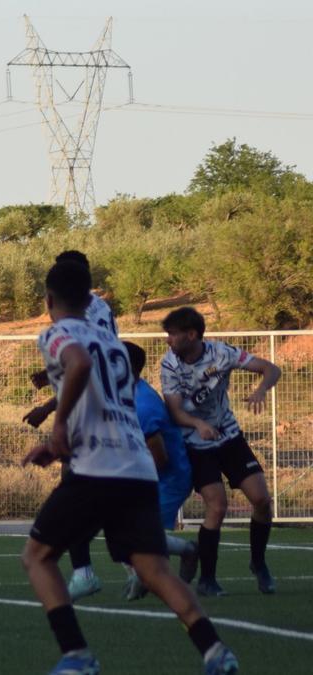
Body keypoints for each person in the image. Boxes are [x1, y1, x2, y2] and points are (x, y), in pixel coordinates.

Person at [20, 261, 237, 675]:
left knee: (36, 557)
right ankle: (214, 650)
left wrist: (59, 426)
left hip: (97, 467)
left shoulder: (56, 333)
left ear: (48, 300)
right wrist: (56, 444)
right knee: (152, 568)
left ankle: (77, 654)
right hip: (136, 465)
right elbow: (101, 401)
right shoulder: (115, 345)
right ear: (90, 300)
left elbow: (79, 365)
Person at [160, 306, 282, 597]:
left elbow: (271, 369)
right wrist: (198, 423)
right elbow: (175, 412)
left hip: (228, 435)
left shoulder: (221, 353)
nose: (168, 341)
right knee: (217, 506)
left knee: (262, 500)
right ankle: (208, 579)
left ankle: (258, 563)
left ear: (192, 335)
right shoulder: (169, 364)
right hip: (196, 443)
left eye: (173, 335)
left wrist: (262, 389)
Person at [23, 249, 117, 601]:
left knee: (41, 548)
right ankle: (152, 563)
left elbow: (81, 364)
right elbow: (93, 361)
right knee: (119, 505)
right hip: (117, 414)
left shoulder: (68, 321)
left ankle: (83, 573)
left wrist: (53, 415)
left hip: (87, 416)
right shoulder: (103, 312)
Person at [121, 340, 199, 601]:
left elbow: (160, 458)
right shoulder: (122, 392)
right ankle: (140, 575)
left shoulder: (143, 406)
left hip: (167, 478)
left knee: (139, 537)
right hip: (147, 474)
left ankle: (185, 552)